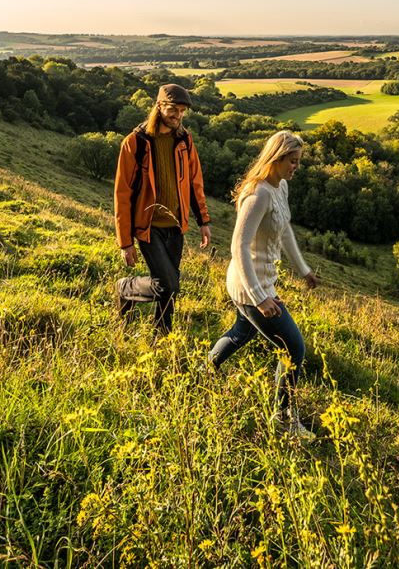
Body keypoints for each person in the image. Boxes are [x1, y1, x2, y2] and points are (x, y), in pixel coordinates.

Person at [207, 130, 322, 439]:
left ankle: (205, 371)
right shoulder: (258, 194)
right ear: (276, 158)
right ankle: (284, 419)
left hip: (260, 282)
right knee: (293, 347)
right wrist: (258, 297)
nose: (296, 167)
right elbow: (239, 247)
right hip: (249, 285)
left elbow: (284, 231)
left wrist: (303, 269)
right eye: (293, 161)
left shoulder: (280, 187)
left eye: (298, 162)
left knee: (240, 333)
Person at [112, 83, 211, 334]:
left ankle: (162, 335)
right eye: (172, 109)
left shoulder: (184, 140)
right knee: (168, 285)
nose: (177, 115)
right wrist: (125, 242)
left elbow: (195, 182)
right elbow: (122, 194)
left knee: (170, 286)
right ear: (159, 106)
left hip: (176, 226)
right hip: (149, 227)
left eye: (181, 111)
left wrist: (203, 222)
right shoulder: (135, 143)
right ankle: (125, 287)